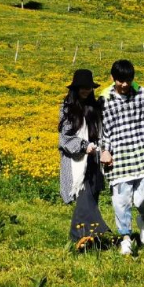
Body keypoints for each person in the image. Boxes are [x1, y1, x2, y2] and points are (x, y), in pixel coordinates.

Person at [100, 59, 144, 255]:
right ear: (112, 78)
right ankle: (125, 238)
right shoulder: (105, 100)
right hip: (120, 158)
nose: (124, 84)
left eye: (128, 80)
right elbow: (102, 131)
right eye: (120, 80)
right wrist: (104, 150)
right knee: (121, 201)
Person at [58, 69, 111, 245]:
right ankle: (100, 231)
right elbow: (65, 138)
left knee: (90, 196)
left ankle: (80, 236)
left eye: (88, 87)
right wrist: (83, 146)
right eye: (82, 87)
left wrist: (103, 150)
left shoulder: (96, 107)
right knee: (84, 194)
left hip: (94, 159)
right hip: (76, 160)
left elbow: (103, 132)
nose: (86, 90)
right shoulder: (67, 108)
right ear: (75, 88)